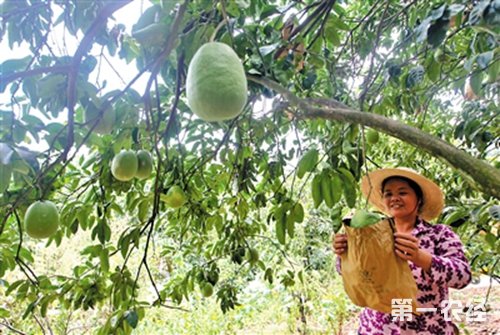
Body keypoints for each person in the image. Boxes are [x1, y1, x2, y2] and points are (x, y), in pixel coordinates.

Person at [332, 167, 472, 335]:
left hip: (427, 328)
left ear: (418, 199)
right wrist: (344, 255)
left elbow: (463, 276)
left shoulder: (438, 234)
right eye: (388, 194)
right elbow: (356, 273)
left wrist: (421, 257)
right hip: (378, 328)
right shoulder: (371, 232)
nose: (394, 198)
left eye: (402, 192)